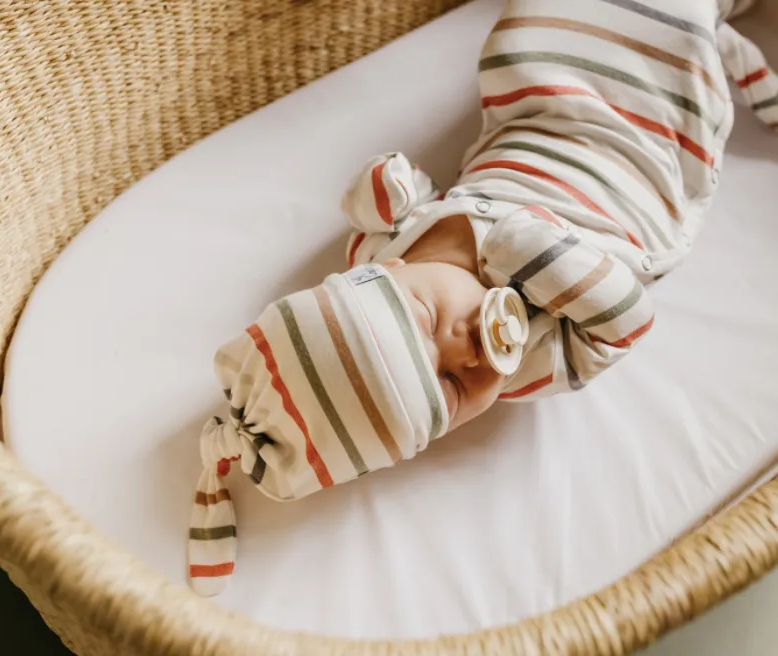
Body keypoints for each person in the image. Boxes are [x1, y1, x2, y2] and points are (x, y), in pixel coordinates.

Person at [188, 0, 777, 595]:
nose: (466, 354)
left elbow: (380, 210)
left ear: (388, 270)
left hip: (541, 108)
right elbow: (624, 318)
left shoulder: (387, 249)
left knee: (532, 34)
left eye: (421, 316)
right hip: (646, 162)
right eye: (446, 391)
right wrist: (524, 249)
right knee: (678, 29)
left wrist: (387, 193)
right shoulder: (532, 362)